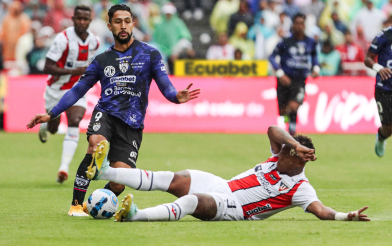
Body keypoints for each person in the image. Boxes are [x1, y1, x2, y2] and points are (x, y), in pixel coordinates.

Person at [26, 4, 200, 217]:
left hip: (132, 125)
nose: (123, 26)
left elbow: (165, 84)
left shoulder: (150, 54)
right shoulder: (102, 60)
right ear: (110, 26)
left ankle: (95, 205)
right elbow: (78, 89)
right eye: (118, 22)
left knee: (119, 183)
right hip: (106, 113)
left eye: (127, 21)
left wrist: (175, 96)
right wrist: (52, 113)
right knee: (96, 143)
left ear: (133, 24)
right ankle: (75, 205)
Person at [85, 126, 370, 222]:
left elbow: (321, 211)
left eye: (286, 152)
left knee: (193, 201)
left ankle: (135, 215)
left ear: (298, 162)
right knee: (173, 177)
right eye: (283, 149)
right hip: (224, 184)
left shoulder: (301, 188)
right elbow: (272, 130)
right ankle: (105, 171)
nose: (279, 152)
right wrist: (293, 144)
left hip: (237, 209)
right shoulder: (279, 156)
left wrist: (347, 216)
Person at [37, 5, 100, 185]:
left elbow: (92, 65)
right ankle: (45, 127)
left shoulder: (94, 42)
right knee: (53, 128)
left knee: (74, 121)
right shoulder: (63, 39)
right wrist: (76, 70)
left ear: (90, 20)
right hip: (56, 90)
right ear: (73, 19)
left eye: (85, 19)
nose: (82, 22)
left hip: (77, 89)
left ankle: (63, 168)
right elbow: (47, 66)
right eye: (79, 18)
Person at [268, 13, 320, 135]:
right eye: (296, 23)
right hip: (284, 78)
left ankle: (292, 129)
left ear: (305, 25)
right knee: (282, 111)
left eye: (301, 23)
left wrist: (316, 67)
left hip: (300, 79)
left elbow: (314, 55)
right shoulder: (286, 42)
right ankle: (289, 122)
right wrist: (280, 73)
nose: (299, 26)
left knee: (294, 105)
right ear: (293, 25)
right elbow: (272, 57)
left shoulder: (310, 42)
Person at [364, 24, 392, 157]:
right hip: (385, 89)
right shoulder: (384, 36)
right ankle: (381, 137)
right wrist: (379, 68)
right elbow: (367, 59)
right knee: (388, 128)